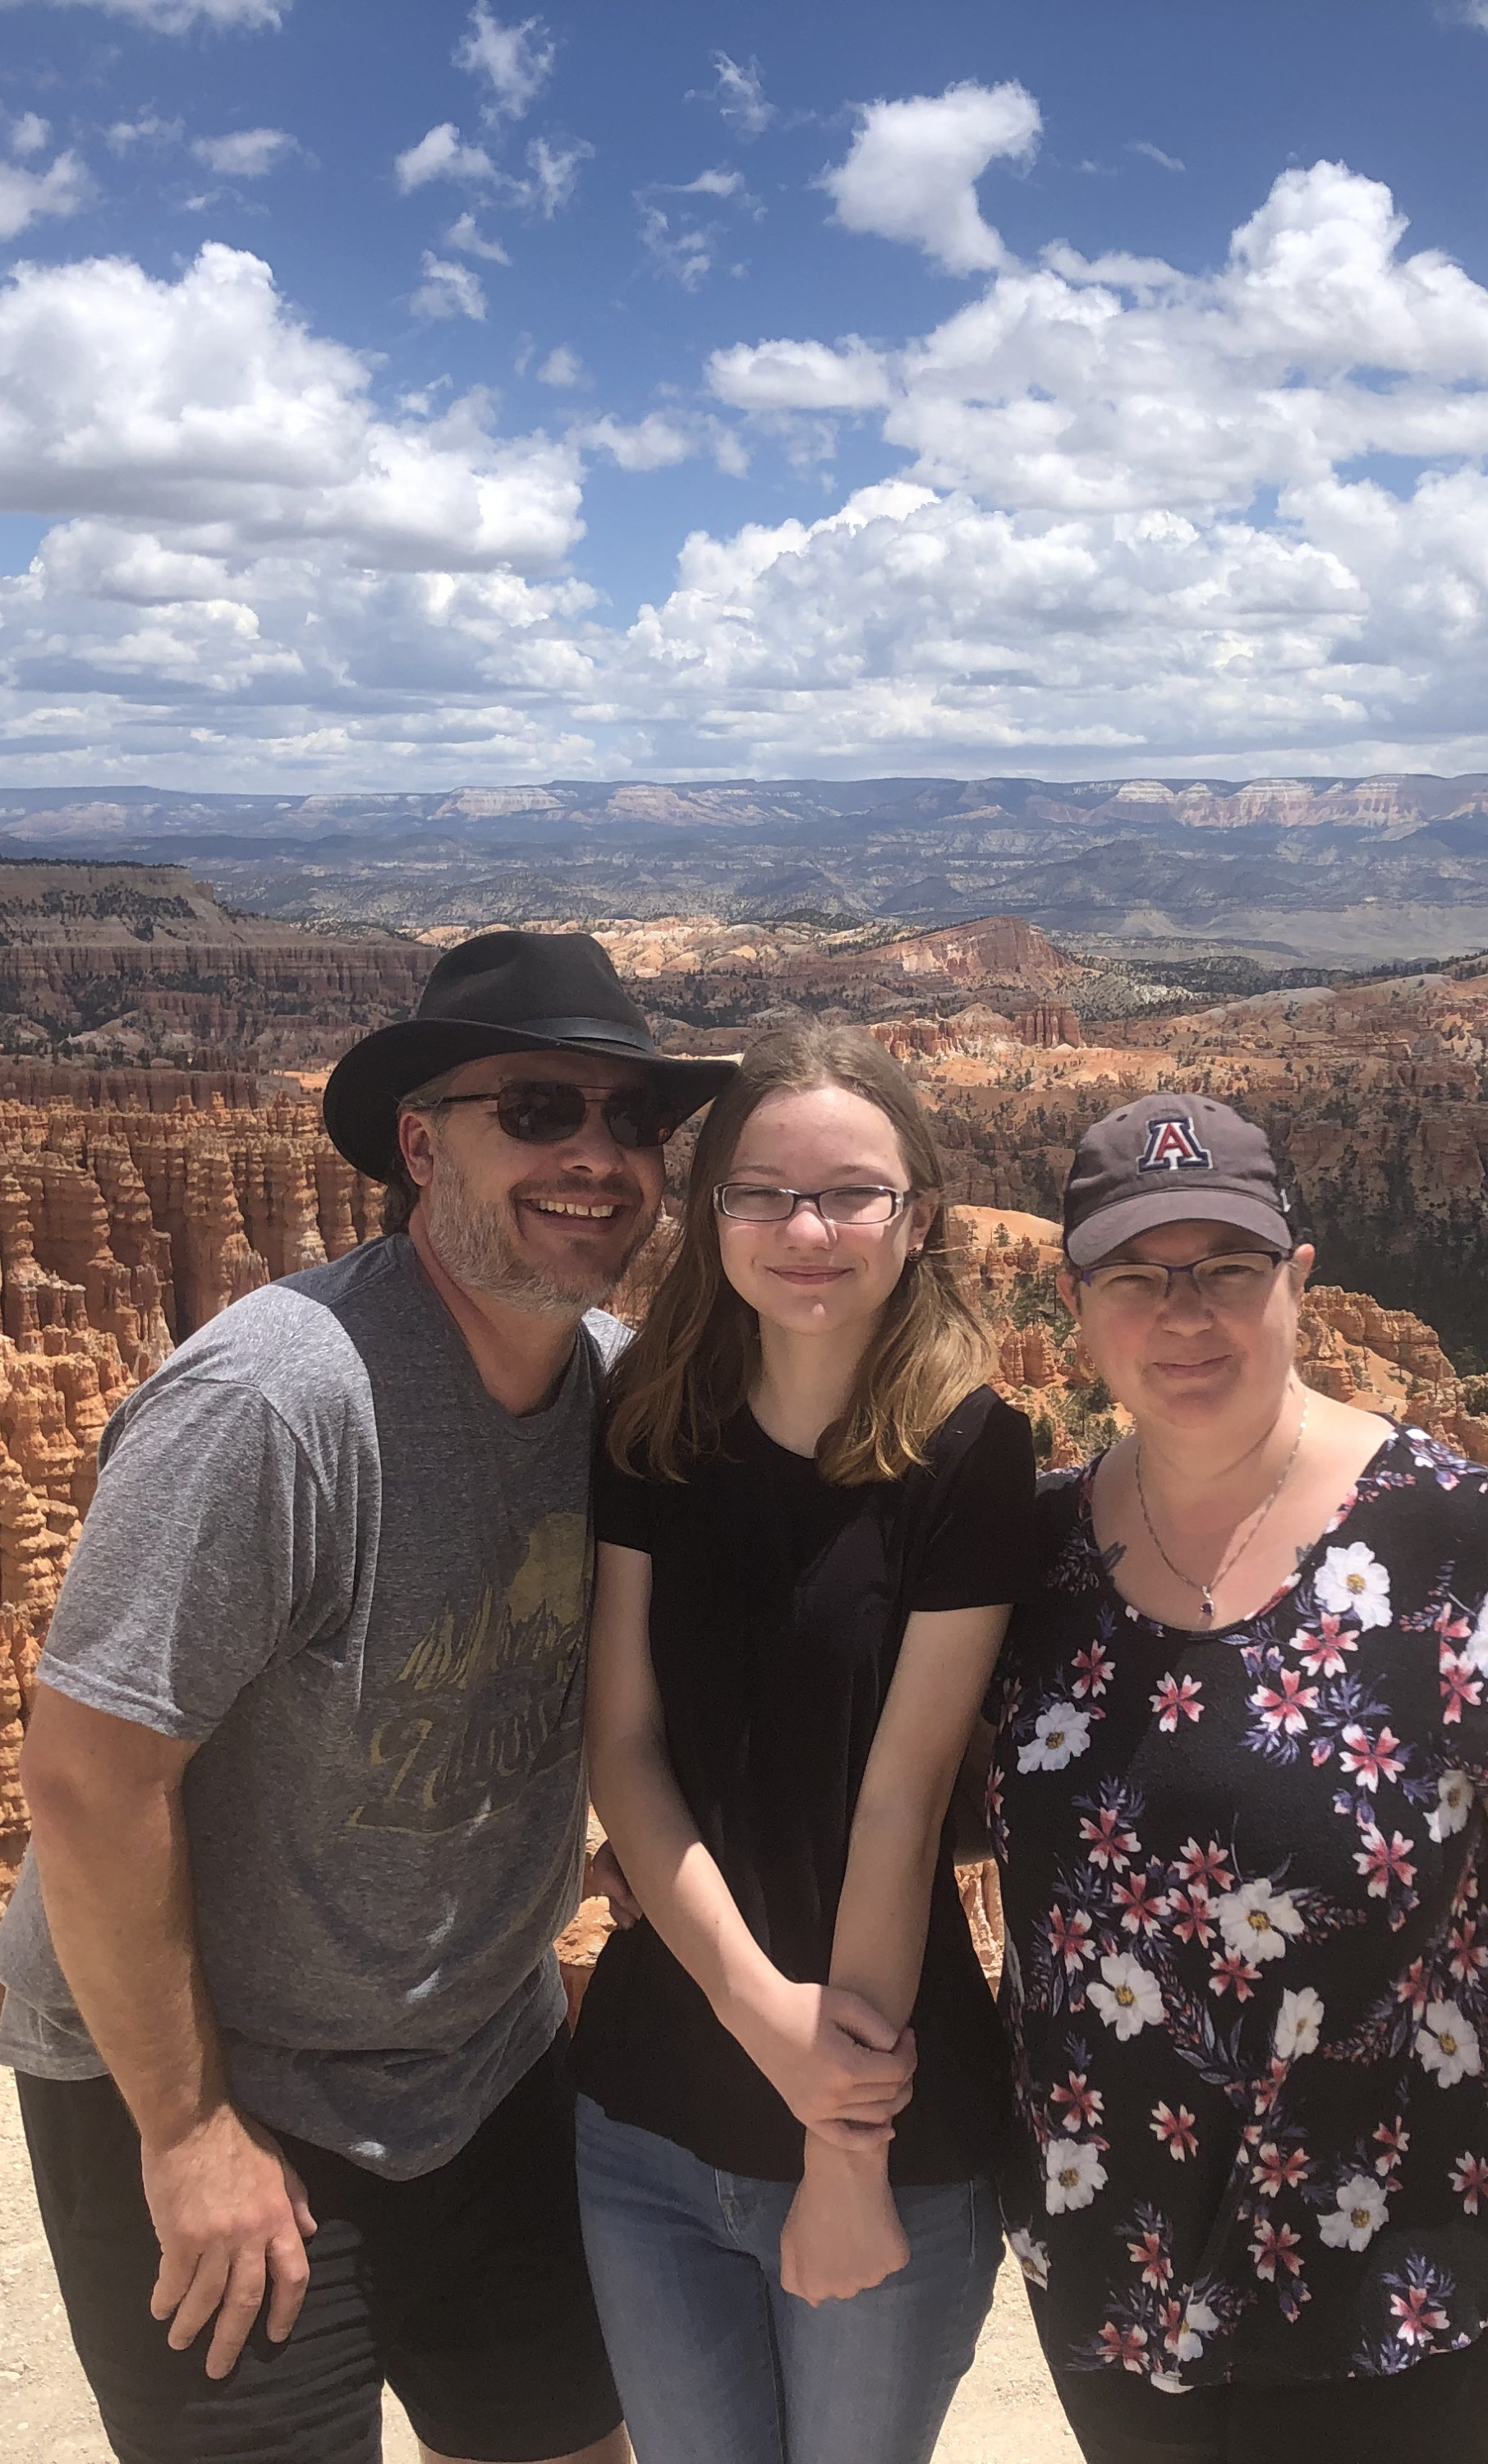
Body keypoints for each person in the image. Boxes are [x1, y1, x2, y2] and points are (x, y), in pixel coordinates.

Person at [0, 930, 735, 2464]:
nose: (597, 1158)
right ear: (421, 1144)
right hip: (211, 2077)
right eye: (536, 1110)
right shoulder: (277, 1404)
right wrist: (189, 2131)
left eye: (634, 1120)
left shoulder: (617, 1393)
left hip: (482, 2061)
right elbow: (87, 1778)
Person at [987, 1091, 1488, 2464]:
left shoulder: (1453, 1543)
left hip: (1425, 2279)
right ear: (1073, 1302)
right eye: (1134, 1277)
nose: (1183, 1314)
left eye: (1226, 1269)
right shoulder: (1028, 1558)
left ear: (1299, 1277)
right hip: (1120, 2276)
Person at [572, 1018, 1036, 2464]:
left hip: (892, 2122)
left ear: (921, 1216)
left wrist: (844, 2147)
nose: (807, 1232)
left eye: (851, 1195)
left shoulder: (970, 1453)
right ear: (712, 1217)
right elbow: (623, 1744)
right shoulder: (653, 1423)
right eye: (763, 1194)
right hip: (648, 2110)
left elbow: (901, 1803)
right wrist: (757, 2016)